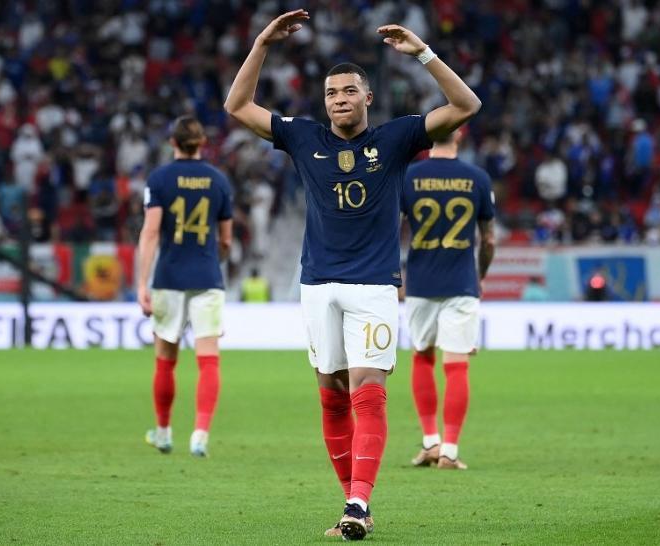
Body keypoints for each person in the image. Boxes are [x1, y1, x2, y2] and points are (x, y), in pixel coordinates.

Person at [224, 8, 481, 540]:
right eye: (331, 93)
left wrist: (424, 54)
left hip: (373, 286)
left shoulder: (396, 138)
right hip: (317, 285)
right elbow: (237, 106)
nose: (339, 99)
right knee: (332, 394)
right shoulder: (304, 138)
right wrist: (262, 43)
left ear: (367, 97)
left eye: (348, 91)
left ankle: (359, 503)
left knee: (368, 390)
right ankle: (351, 501)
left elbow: (466, 105)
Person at [137, 116, 233, 458]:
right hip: (207, 278)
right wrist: (213, 261)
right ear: (202, 143)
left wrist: (142, 283)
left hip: (169, 278)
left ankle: (163, 433)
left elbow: (151, 232)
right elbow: (226, 240)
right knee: (209, 359)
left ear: (172, 142)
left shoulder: (159, 179)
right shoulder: (219, 180)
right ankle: (200, 435)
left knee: (166, 360)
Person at [401, 129, 495, 471]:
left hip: (420, 282)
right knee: (456, 364)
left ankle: (430, 442)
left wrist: (395, 275)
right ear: (461, 134)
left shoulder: (408, 176)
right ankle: (450, 451)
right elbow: (489, 240)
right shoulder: (477, 178)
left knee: (422, 356)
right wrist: (480, 275)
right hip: (461, 282)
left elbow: (391, 230)